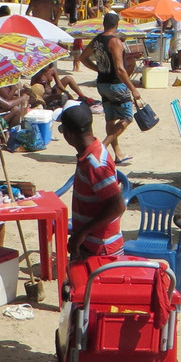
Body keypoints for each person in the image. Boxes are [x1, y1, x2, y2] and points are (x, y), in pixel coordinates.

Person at [58, 105, 126, 258]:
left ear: (69, 135)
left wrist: (82, 233)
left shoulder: (95, 164)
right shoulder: (91, 152)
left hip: (102, 249)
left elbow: (118, 206)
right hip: (91, 244)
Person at [82, 12, 142, 165]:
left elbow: (82, 58)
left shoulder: (97, 40)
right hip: (116, 84)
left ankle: (119, 155)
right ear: (117, 25)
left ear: (104, 24)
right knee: (127, 118)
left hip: (102, 84)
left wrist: (98, 69)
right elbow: (120, 69)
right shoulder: (115, 42)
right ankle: (101, 147)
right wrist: (133, 88)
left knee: (110, 119)